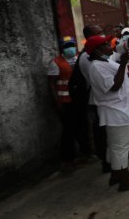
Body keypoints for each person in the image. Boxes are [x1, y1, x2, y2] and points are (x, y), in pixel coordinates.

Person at [85, 35, 129, 191]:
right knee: (121, 147)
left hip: (119, 109)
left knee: (115, 146)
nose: (109, 46)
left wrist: (121, 63)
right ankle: (124, 181)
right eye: (105, 44)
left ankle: (116, 174)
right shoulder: (96, 67)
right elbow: (114, 86)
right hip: (115, 112)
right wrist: (123, 65)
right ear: (97, 51)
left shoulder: (103, 62)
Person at [48, 36, 91, 172]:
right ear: (62, 48)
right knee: (68, 131)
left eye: (71, 45)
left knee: (83, 126)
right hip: (66, 102)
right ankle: (67, 160)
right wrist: (57, 103)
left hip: (80, 100)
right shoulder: (56, 63)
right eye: (67, 46)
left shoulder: (79, 58)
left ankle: (87, 153)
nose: (70, 48)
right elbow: (51, 84)